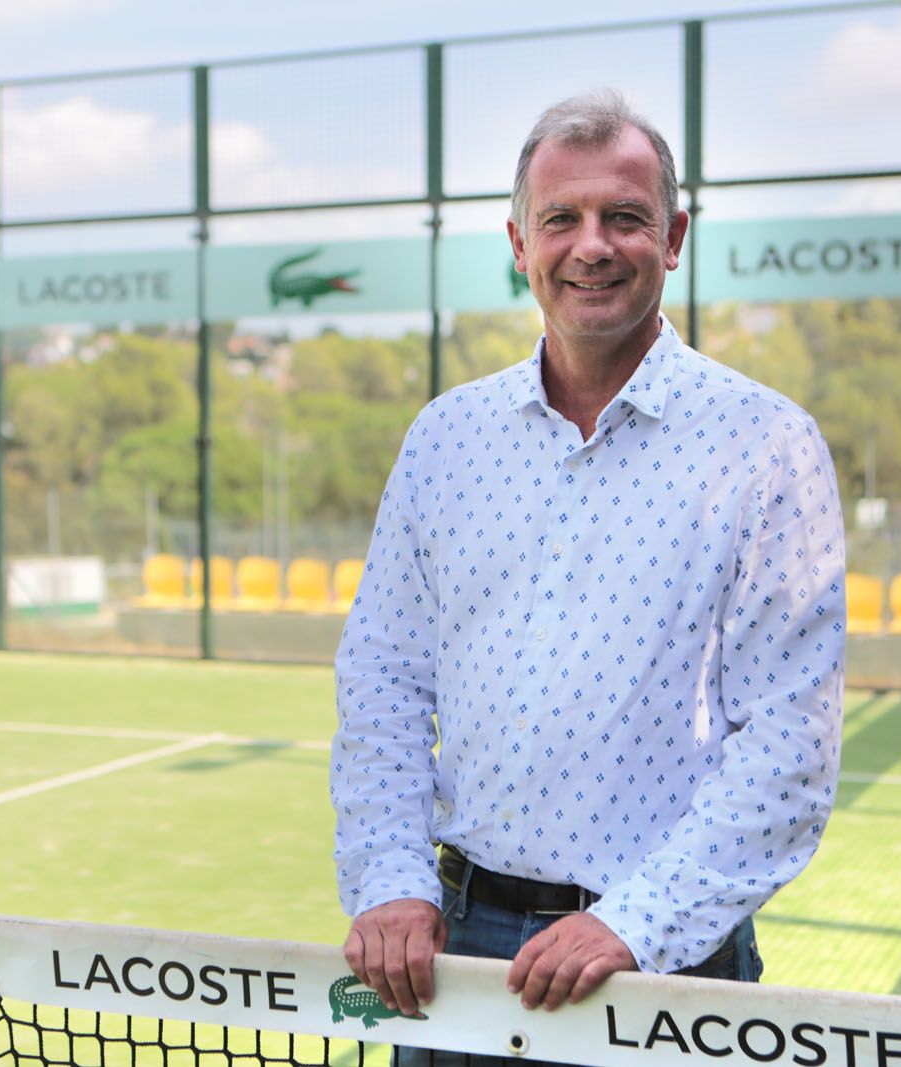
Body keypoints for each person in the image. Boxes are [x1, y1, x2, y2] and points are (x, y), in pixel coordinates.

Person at [329, 87, 847, 1041]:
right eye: (560, 218)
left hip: (669, 970)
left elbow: (790, 746)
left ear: (676, 235)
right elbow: (385, 681)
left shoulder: (768, 444)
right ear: (520, 244)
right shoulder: (446, 438)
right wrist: (393, 881)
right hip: (457, 955)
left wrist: (631, 924)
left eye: (625, 217)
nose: (592, 244)